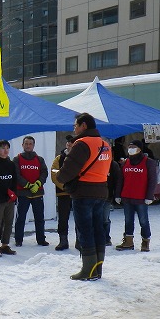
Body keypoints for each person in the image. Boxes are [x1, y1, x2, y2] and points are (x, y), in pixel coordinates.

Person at [57, 113, 112, 281]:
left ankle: (88, 269)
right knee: (98, 229)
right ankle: (98, 268)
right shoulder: (105, 144)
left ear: (84, 126)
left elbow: (69, 169)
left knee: (85, 230)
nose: (74, 128)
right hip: (101, 191)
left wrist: (59, 176)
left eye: (76, 125)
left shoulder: (82, 144)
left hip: (83, 192)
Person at [114, 140, 158, 252]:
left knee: (143, 221)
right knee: (128, 220)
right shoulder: (125, 162)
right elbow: (120, 180)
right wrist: (118, 194)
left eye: (133, 147)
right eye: (129, 147)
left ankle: (145, 241)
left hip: (141, 198)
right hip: (127, 197)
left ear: (139, 149)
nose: (131, 149)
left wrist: (149, 196)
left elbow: (152, 180)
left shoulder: (149, 162)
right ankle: (128, 241)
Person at [13, 136, 49, 247]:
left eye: (30, 144)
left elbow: (44, 173)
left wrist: (38, 183)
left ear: (33, 145)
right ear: (22, 145)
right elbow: (16, 175)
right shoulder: (17, 159)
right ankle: (18, 239)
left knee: (39, 218)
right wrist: (28, 185)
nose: (28, 146)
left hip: (37, 193)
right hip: (23, 193)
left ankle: (41, 239)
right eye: (26, 143)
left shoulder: (40, 159)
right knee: (21, 218)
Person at [0, 140, 18, 257]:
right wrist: (7, 191)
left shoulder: (11, 164)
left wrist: (13, 193)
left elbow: (14, 179)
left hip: (10, 199)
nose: (5, 151)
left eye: (7, 148)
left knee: (9, 222)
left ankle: (5, 244)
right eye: (3, 148)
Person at [50, 135, 73, 251]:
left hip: (78, 193)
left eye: (72, 143)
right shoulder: (59, 159)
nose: (69, 144)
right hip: (63, 193)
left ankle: (80, 240)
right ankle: (63, 240)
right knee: (63, 218)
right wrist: (64, 187)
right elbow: (54, 174)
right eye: (68, 142)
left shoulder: (80, 158)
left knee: (81, 218)